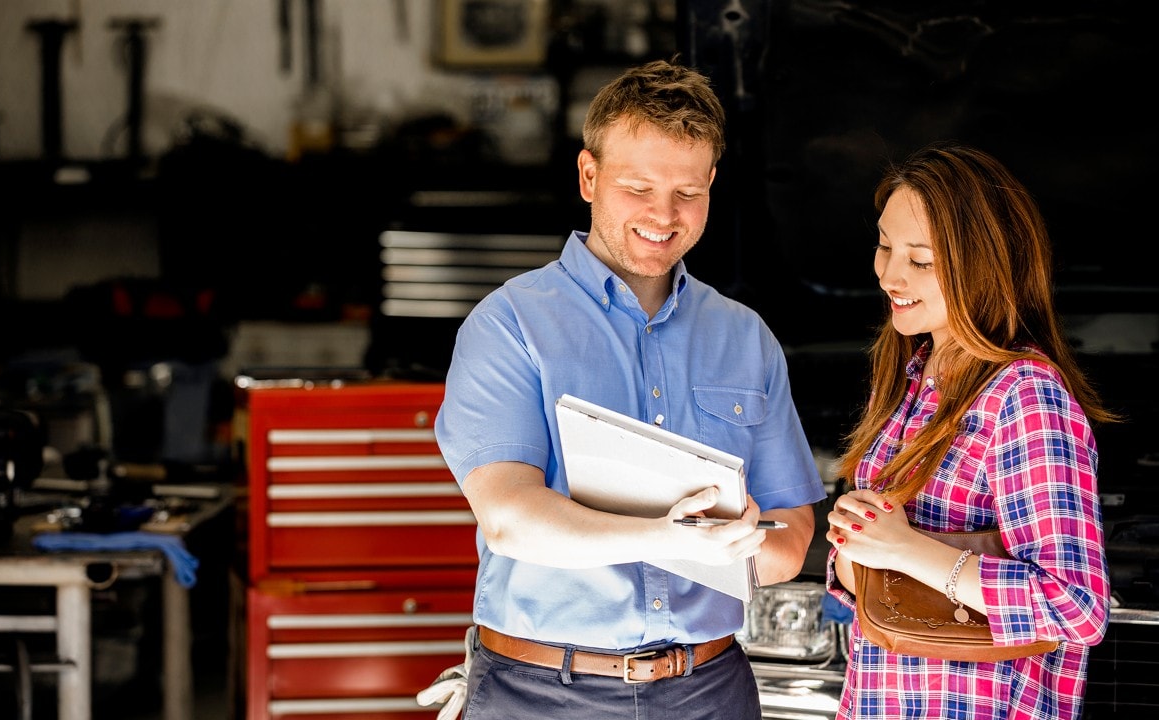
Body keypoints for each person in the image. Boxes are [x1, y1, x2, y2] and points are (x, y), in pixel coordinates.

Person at [433, 59, 826, 719]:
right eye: (637, 187)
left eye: (687, 192)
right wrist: (668, 537)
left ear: (711, 185)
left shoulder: (744, 337)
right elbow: (507, 519)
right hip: (540, 693)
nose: (663, 216)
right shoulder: (511, 325)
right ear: (589, 176)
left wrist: (749, 538)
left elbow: (790, 538)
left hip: (708, 688)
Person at [824, 142, 1115, 719]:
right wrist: (855, 547)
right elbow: (879, 582)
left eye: (921, 260)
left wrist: (908, 549)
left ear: (982, 263)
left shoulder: (1024, 396)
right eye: (884, 245)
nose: (889, 274)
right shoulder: (912, 375)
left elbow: (1076, 607)